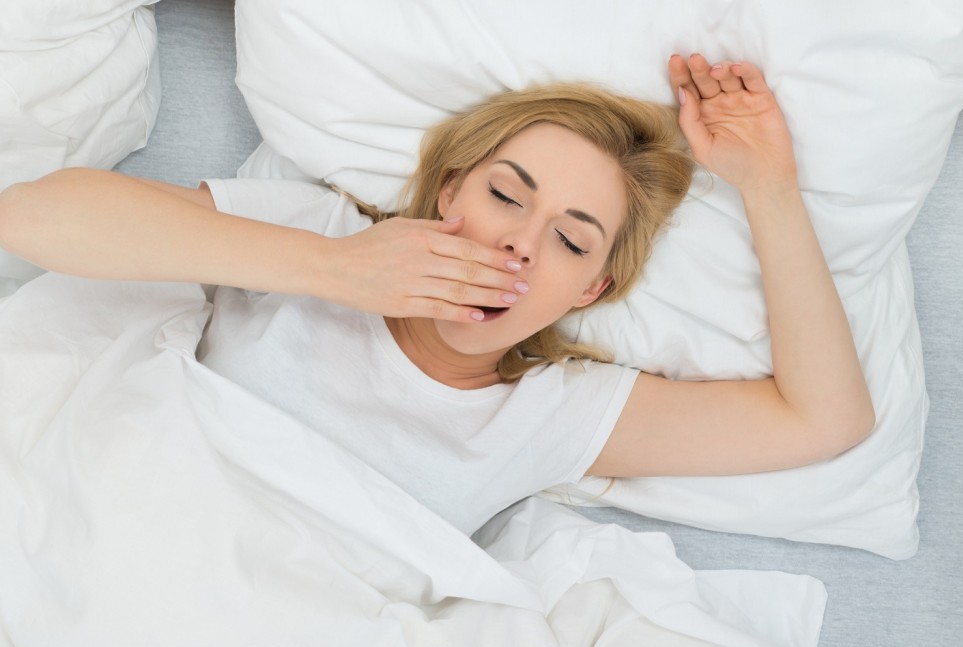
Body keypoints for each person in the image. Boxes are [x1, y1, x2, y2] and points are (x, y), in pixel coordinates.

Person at [0, 54, 874, 534]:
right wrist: (332, 269)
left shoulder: (549, 414)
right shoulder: (322, 235)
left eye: (570, 239)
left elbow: (823, 420)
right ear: (449, 190)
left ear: (590, 287)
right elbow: (34, 216)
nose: (517, 244)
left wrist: (768, 188)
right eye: (505, 194)